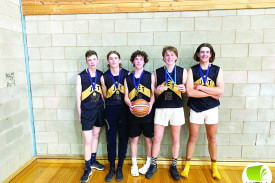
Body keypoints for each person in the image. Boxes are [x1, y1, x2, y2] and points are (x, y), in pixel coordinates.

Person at [181, 43, 224, 180]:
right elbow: (190, 92)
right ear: (198, 54)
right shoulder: (191, 70)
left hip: (212, 109)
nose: (204, 54)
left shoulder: (217, 70)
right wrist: (211, 93)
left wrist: (199, 87)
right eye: (202, 52)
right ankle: (187, 165)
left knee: (212, 138)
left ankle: (214, 166)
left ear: (211, 54)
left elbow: (220, 90)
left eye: (207, 52)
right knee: (192, 137)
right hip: (196, 108)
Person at [145, 46, 187, 180]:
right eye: (167, 55)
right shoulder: (157, 72)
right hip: (161, 107)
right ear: (163, 57)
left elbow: (186, 90)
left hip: (176, 108)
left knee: (175, 139)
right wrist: (157, 90)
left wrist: (184, 89)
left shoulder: (182, 71)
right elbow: (154, 92)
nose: (169, 57)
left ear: (176, 57)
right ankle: (153, 164)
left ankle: (173, 165)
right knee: (157, 138)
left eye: (172, 55)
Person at [76, 50, 106, 183]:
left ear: (98, 60)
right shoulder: (80, 76)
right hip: (87, 112)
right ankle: (87, 168)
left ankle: (93, 161)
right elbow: (78, 98)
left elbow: (104, 93)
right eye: (90, 60)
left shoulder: (101, 75)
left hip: (99, 110)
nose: (92, 62)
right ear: (86, 61)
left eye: (94, 59)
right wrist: (80, 113)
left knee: (95, 136)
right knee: (88, 140)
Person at [124, 50, 155, 177]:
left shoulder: (150, 76)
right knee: (134, 140)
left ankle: (148, 163)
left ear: (144, 61)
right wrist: (129, 104)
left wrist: (150, 105)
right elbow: (126, 96)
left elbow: (153, 94)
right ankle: (134, 164)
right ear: (133, 61)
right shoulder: (127, 78)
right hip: (133, 113)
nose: (138, 61)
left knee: (148, 139)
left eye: (141, 59)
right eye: (136, 59)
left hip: (147, 113)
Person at [100, 51, 129, 182]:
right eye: (110, 59)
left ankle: (120, 167)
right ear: (107, 61)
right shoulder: (104, 77)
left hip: (124, 109)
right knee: (111, 140)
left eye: (115, 58)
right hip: (111, 110)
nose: (113, 61)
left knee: (123, 139)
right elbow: (104, 95)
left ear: (119, 60)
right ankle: (112, 167)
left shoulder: (127, 74)